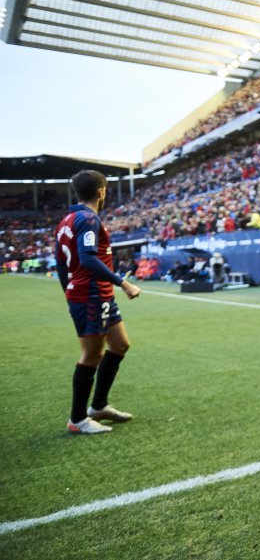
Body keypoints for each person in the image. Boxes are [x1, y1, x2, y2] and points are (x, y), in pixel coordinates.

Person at [55, 170, 142, 434]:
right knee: (92, 354)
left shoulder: (67, 220)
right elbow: (88, 259)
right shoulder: (88, 219)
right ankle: (78, 418)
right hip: (90, 294)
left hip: (95, 294)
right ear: (101, 191)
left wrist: (67, 292)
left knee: (120, 344)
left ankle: (99, 406)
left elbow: (61, 264)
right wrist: (123, 282)